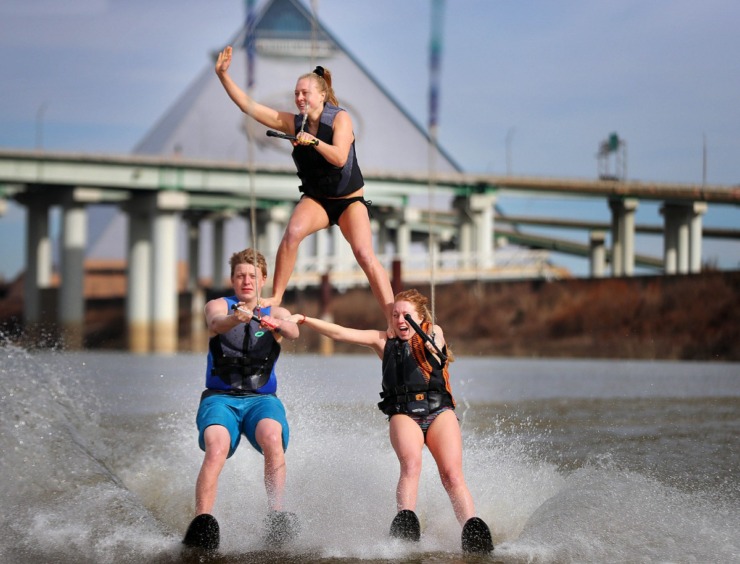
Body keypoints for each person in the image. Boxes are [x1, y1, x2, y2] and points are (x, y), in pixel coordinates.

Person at [288, 289, 494, 554]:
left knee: (452, 475)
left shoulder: (433, 332)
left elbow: (438, 342)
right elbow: (340, 332)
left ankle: (471, 528)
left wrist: (432, 345)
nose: (400, 320)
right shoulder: (383, 341)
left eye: (406, 315)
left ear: (420, 318)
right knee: (411, 465)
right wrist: (304, 319)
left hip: (439, 411)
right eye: (395, 315)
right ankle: (406, 520)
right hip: (404, 412)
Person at [215, 45, 395, 334]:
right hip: (318, 201)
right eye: (296, 93)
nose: (299, 98)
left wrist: (313, 142)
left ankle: (392, 316)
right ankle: (276, 295)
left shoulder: (340, 119)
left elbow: (338, 157)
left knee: (363, 253)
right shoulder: (292, 122)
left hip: (349, 202)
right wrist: (223, 76)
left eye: (305, 93)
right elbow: (249, 107)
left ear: (321, 96)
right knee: (292, 234)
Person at [182, 248, 301, 551]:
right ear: (233, 280)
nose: (246, 280)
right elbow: (215, 323)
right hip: (220, 399)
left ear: (263, 279)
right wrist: (237, 317)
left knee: (272, 437)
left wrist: (275, 324)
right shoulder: (219, 305)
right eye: (240, 276)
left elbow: (293, 331)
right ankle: (203, 521)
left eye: (252, 276)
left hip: (261, 400)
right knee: (216, 445)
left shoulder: (274, 311)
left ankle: (276, 516)